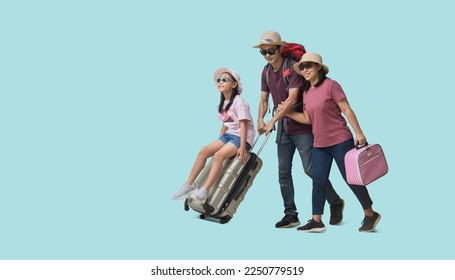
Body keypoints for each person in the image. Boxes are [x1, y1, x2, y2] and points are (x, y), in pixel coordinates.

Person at [278, 52, 381, 232]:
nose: (305, 69)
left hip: (340, 140)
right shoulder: (306, 92)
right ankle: (316, 220)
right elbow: (308, 119)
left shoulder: (331, 85)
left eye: (308, 65)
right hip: (320, 144)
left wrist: (359, 132)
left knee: (351, 179)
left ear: (318, 67)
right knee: (318, 181)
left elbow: (347, 110)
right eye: (302, 67)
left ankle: (370, 214)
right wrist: (287, 113)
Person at [254, 31, 344, 228]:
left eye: (270, 51)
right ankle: (291, 214)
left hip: (302, 126)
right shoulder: (266, 72)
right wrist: (261, 119)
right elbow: (263, 99)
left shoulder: (291, 68)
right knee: (283, 172)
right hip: (283, 129)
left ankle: (335, 202)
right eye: (263, 52)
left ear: (279, 49)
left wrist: (272, 122)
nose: (267, 55)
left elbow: (292, 99)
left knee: (311, 169)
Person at [172, 68, 255, 204]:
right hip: (229, 135)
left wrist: (242, 147)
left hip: (242, 138)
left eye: (225, 80)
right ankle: (189, 185)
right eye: (218, 80)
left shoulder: (239, 102)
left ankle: (205, 190)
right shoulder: (224, 103)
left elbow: (243, 124)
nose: (220, 82)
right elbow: (225, 124)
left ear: (234, 85)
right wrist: (219, 141)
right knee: (204, 151)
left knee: (218, 156)